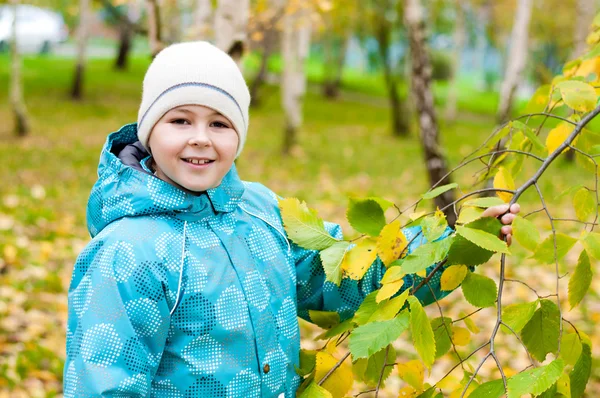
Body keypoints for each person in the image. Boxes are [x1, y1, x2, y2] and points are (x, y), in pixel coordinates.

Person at [63, 41, 520, 397]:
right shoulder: (126, 252)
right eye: (180, 120)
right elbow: (104, 385)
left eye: (220, 124)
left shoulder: (261, 213)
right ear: (148, 129)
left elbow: (339, 278)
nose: (200, 139)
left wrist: (453, 246)